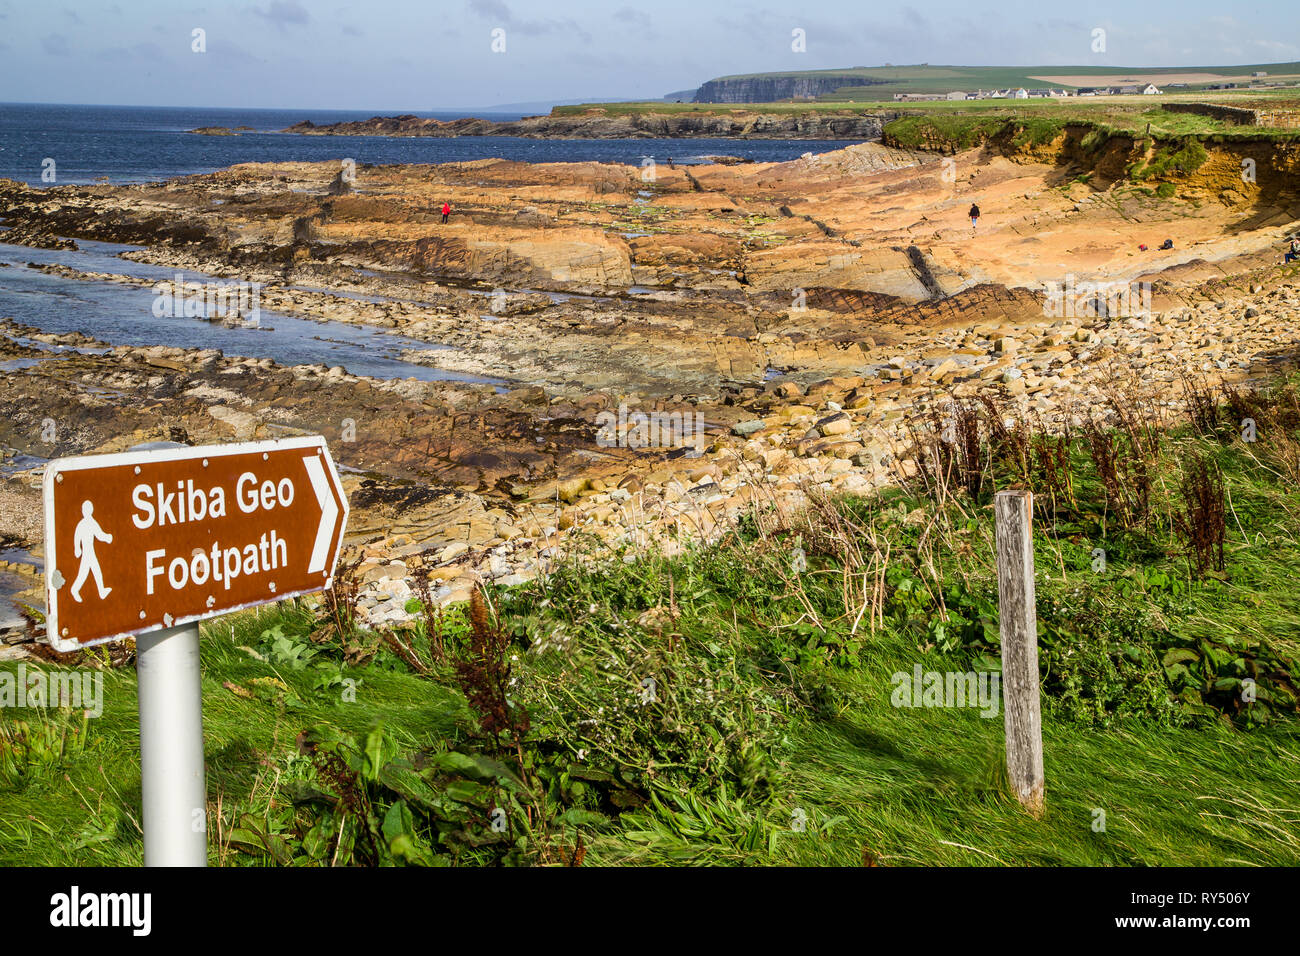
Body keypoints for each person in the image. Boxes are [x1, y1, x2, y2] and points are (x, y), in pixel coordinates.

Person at [70, 499, 112, 603]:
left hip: (89, 551)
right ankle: (75, 590)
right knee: (85, 573)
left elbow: (99, 534)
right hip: (87, 552)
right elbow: (77, 537)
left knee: (94, 571)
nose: (86, 511)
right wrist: (77, 548)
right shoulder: (85, 523)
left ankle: (101, 591)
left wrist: (107, 537)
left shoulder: (91, 522)